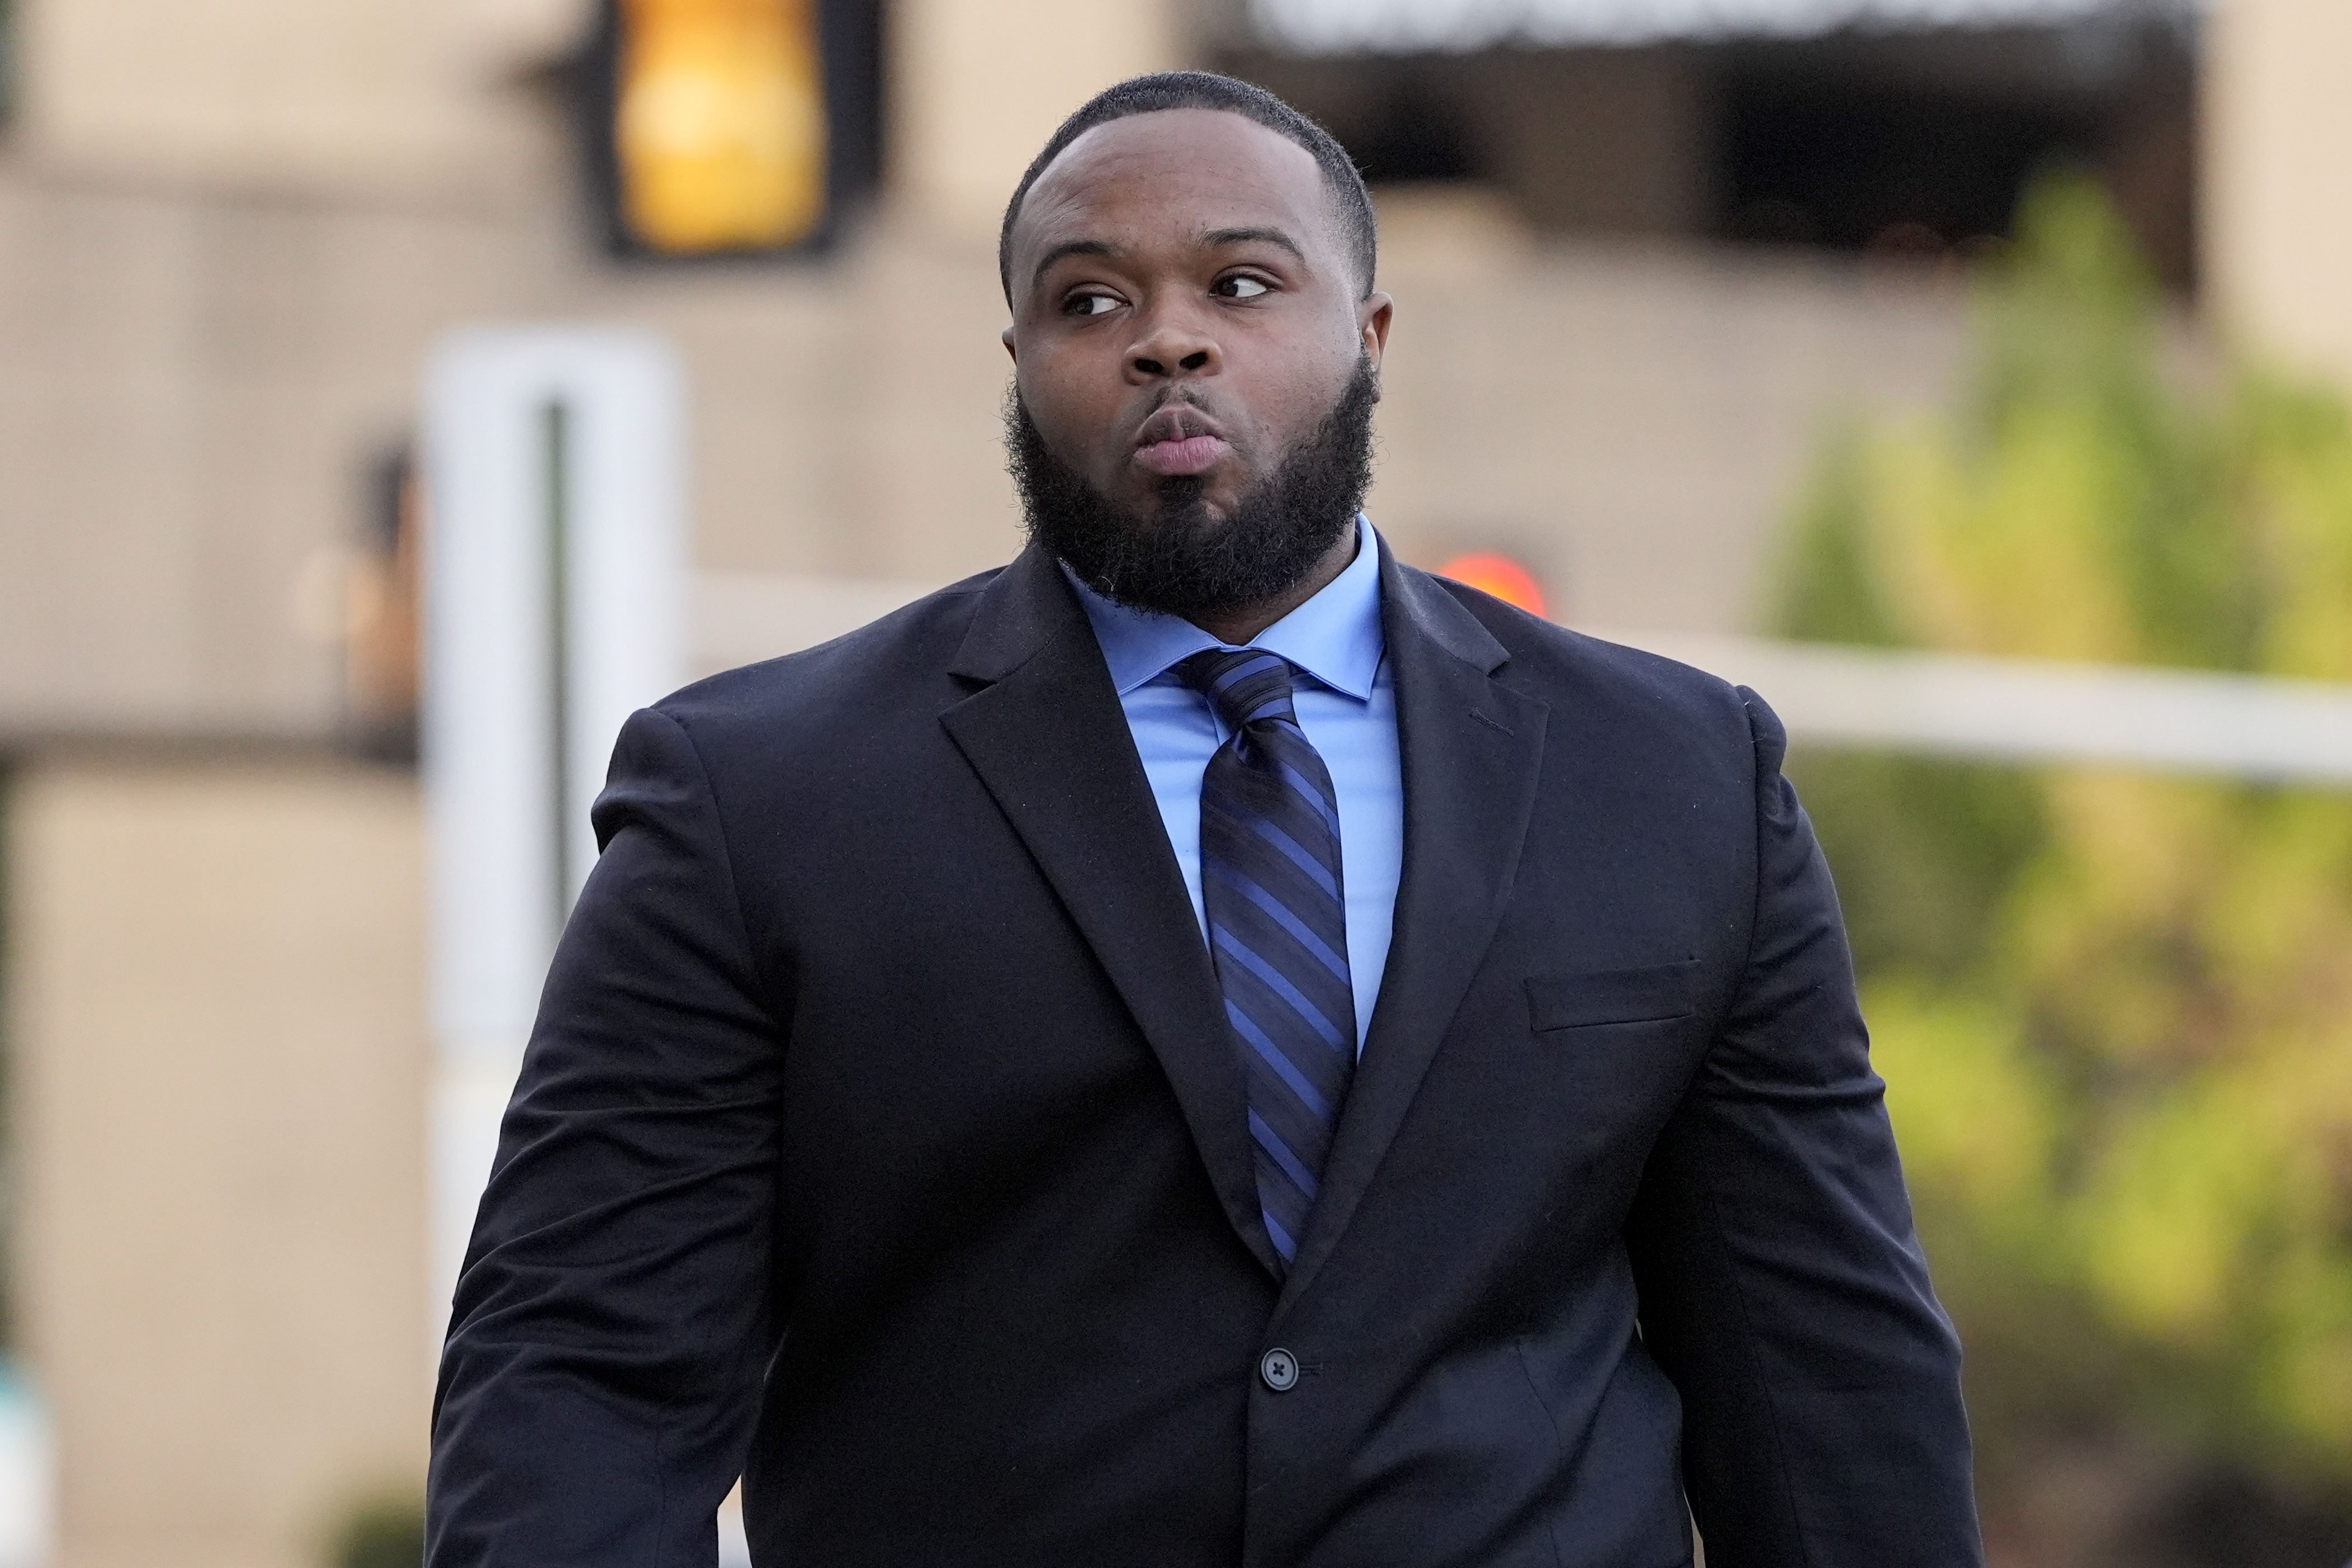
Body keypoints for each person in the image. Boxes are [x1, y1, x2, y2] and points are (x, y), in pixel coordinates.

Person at [427, 71, 1982, 1568]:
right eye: (1091, 302)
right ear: (1023, 362)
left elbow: (1822, 1373)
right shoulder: (756, 799)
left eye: (1244, 285)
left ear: (1370, 336)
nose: (1168, 341)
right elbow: (583, 1373)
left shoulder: (1675, 777)